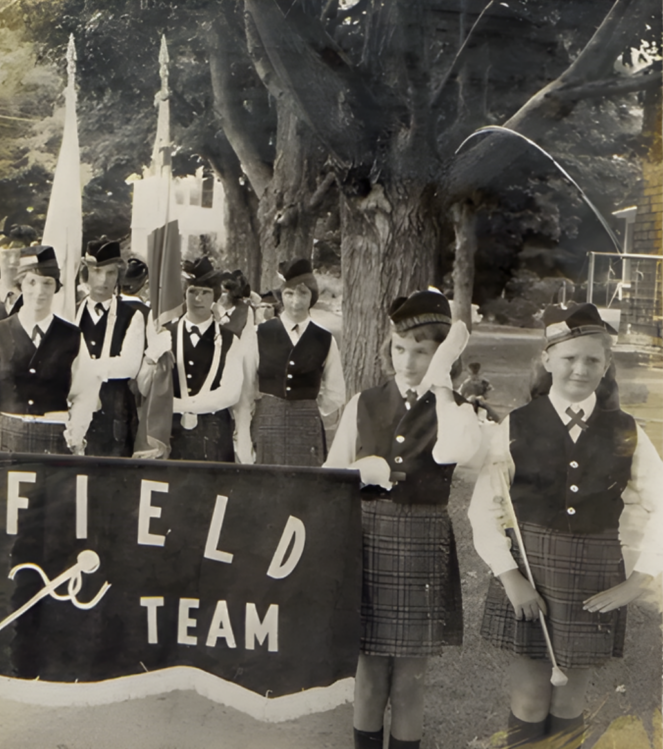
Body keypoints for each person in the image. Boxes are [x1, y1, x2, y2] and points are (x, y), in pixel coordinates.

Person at [468, 303, 663, 749]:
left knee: (570, 700)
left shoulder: (626, 431)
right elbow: (484, 509)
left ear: (607, 365)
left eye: (592, 359)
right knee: (531, 697)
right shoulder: (516, 424)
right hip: (530, 572)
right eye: (569, 357)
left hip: (592, 578)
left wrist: (639, 580)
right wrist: (510, 576)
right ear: (547, 359)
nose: (580, 368)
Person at [324, 289, 481, 749]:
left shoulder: (452, 408)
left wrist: (444, 387)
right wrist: (361, 470)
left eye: (421, 351)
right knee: (370, 671)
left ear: (441, 355)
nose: (407, 362)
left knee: (411, 677)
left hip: (421, 540)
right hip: (370, 536)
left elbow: (458, 452)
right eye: (398, 348)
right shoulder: (364, 402)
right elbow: (330, 476)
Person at [0, 246, 99, 454]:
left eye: (47, 283)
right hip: (5, 439)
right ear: (20, 285)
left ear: (56, 287)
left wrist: (75, 434)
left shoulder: (71, 336)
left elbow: (86, 392)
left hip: (55, 439)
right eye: (32, 282)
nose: (40, 291)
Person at [238, 258, 345, 466]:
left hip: (306, 427)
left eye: (303, 293)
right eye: (289, 294)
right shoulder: (259, 334)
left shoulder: (324, 339)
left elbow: (336, 392)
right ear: (281, 296)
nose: (296, 301)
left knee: (303, 491)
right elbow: (246, 392)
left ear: (312, 296)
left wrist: (307, 409)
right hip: (267, 423)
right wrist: (244, 438)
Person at [140, 256, 243, 462]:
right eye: (192, 292)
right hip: (172, 436)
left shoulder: (230, 339)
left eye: (205, 293)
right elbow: (144, 387)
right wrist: (151, 358)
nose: (198, 299)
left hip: (214, 436)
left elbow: (230, 394)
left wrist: (177, 405)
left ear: (214, 295)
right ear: (184, 294)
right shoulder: (165, 333)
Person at [75, 239, 146, 457]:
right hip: (75, 415)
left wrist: (79, 368)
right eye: (97, 271)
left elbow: (128, 366)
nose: (104, 280)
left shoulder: (132, 315)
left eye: (110, 273)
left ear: (118, 276)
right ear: (87, 273)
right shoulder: (71, 313)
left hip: (115, 418)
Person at [214, 270, 254, 338]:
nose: (220, 296)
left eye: (224, 292)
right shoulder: (212, 310)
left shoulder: (244, 310)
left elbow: (233, 331)